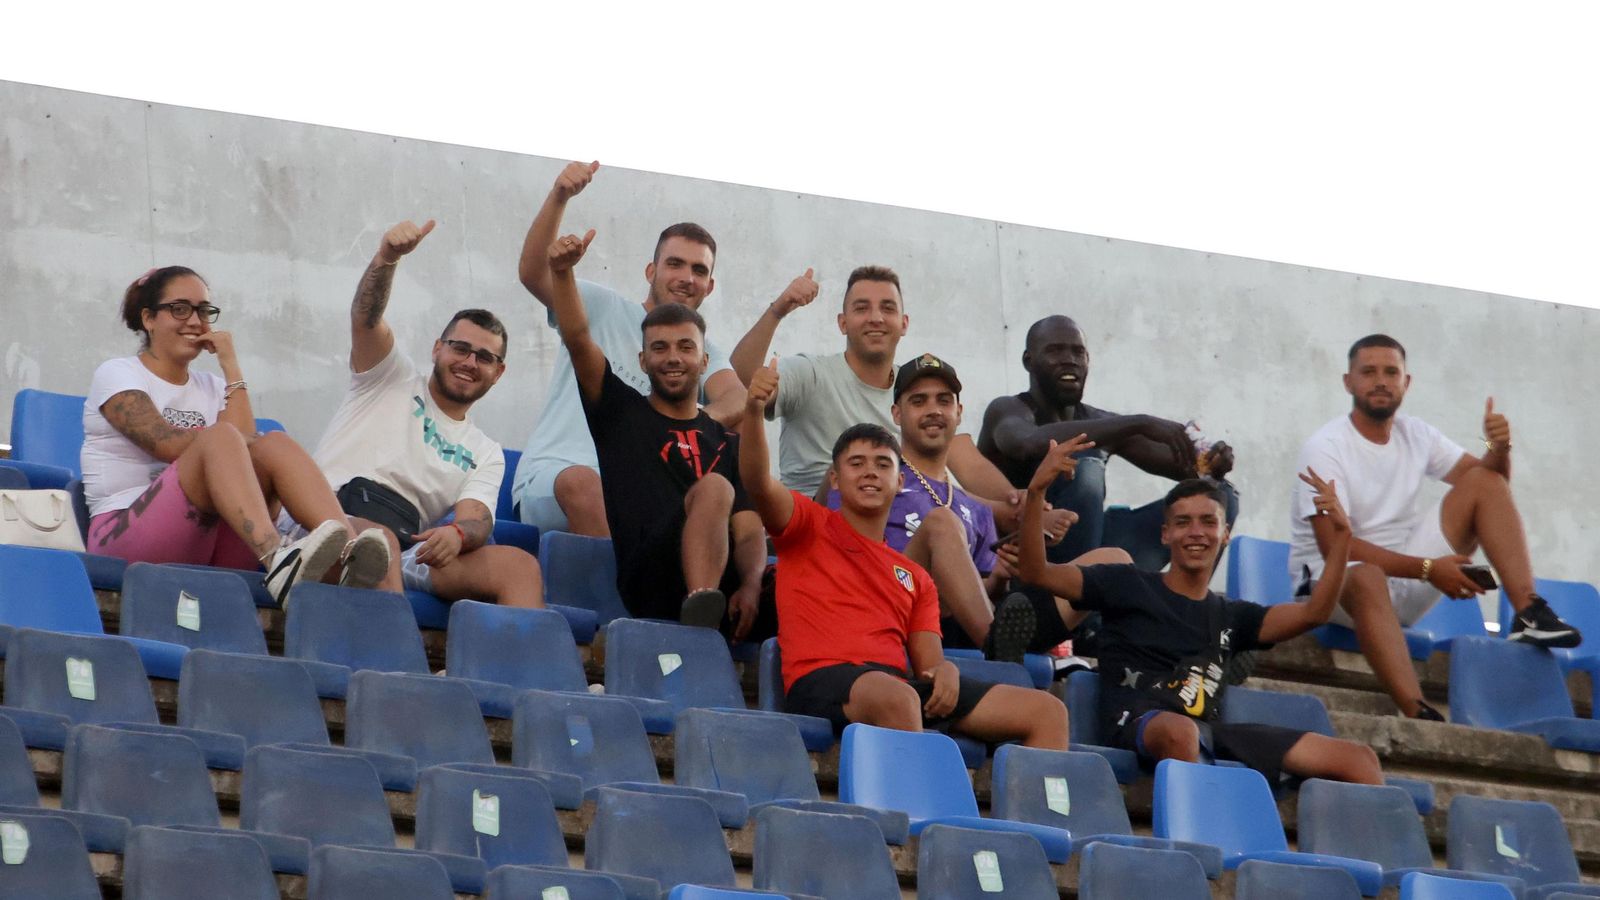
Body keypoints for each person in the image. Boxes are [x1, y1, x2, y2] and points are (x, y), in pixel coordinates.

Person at [740, 359, 1069, 748]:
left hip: (897, 687)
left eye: (882, 464)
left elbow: (928, 663)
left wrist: (943, 670)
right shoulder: (808, 526)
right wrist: (754, 411)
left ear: (899, 482)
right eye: (855, 463)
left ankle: (1027, 811)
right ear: (834, 479)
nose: (869, 473)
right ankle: (919, 806)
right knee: (897, 697)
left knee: (1047, 712)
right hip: (822, 680)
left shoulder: (915, 577)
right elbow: (758, 481)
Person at [1018, 440, 1382, 785]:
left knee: (1359, 759)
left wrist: (1342, 539)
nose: (1196, 533)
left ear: (1226, 534)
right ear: (1165, 535)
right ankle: (1194, 843)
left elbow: (1314, 613)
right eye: (1183, 522)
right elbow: (1038, 573)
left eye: (1208, 522)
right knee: (1181, 732)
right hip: (1138, 721)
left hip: (1207, 732)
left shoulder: (1233, 616)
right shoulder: (1126, 583)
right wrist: (1036, 494)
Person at [1290, 334, 1580, 719]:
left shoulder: (1416, 433)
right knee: (1366, 577)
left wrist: (1499, 450)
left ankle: (1528, 612)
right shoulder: (1325, 447)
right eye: (1369, 372)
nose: (1381, 380)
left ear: (1406, 383)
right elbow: (1336, 550)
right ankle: (1418, 710)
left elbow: (1492, 488)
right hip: (1333, 589)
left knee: (1481, 480)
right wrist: (1429, 569)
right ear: (1348, 382)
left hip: (1403, 581)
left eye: (1391, 372)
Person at [83, 266, 390, 605]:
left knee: (273, 442)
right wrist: (220, 440)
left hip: (213, 539)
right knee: (221, 438)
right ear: (149, 318)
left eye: (204, 311)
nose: (195, 320)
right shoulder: (118, 373)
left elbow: (248, 444)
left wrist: (230, 364)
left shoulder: (213, 387)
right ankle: (276, 559)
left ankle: (349, 553)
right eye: (180, 309)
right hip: (126, 534)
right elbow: (167, 444)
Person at [830, 352, 1126, 663]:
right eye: (919, 402)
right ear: (896, 413)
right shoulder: (872, 478)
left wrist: (999, 577)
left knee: (1113, 561)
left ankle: (1127, 680)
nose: (933, 410)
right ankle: (998, 650)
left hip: (971, 630)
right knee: (942, 524)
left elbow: (986, 593)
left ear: (958, 412)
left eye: (943, 401)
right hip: (897, 615)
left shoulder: (974, 507)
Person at [306, 219, 542, 607]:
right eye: (460, 348)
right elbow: (365, 319)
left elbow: (477, 517)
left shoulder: (484, 451)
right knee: (377, 546)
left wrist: (459, 535)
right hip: (329, 519)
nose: (469, 361)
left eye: (484, 357)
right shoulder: (389, 376)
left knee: (520, 567)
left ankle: (513, 668)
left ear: (498, 373)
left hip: (407, 545)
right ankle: (397, 663)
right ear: (437, 349)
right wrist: (387, 259)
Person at [544, 227, 768, 634]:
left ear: (704, 363)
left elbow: (750, 530)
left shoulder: (725, 442)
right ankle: (699, 615)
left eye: (685, 348)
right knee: (715, 488)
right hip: (652, 581)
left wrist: (753, 585)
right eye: (660, 348)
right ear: (642, 361)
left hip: (731, 588)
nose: (673, 358)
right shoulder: (619, 414)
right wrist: (562, 272)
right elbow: (578, 338)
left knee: (808, 581)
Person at [510, 161, 750, 537]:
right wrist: (560, 196)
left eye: (699, 270)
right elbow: (533, 272)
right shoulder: (603, 306)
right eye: (675, 264)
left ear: (710, 286)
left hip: (641, 495)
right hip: (557, 479)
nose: (687, 278)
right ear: (650, 272)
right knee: (587, 484)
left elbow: (737, 398)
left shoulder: (701, 351)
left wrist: (687, 426)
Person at [729, 265, 1028, 528]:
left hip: (898, 522)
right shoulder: (812, 372)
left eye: (887, 308)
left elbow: (961, 456)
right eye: (861, 308)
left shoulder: (915, 388)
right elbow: (745, 376)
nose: (875, 318)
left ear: (904, 323)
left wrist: (1017, 503)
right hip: (817, 524)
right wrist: (779, 309)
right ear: (842, 323)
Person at [979, 314, 1239, 569]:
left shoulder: (1100, 422)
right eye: (1055, 351)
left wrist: (1212, 465)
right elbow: (1026, 443)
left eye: (1078, 352)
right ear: (1029, 361)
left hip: (1093, 546)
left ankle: (1187, 606)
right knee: (1083, 461)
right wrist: (1140, 422)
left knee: (1221, 495)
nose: (1069, 360)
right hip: (1023, 553)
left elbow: (1186, 471)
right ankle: (1077, 603)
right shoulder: (1008, 409)